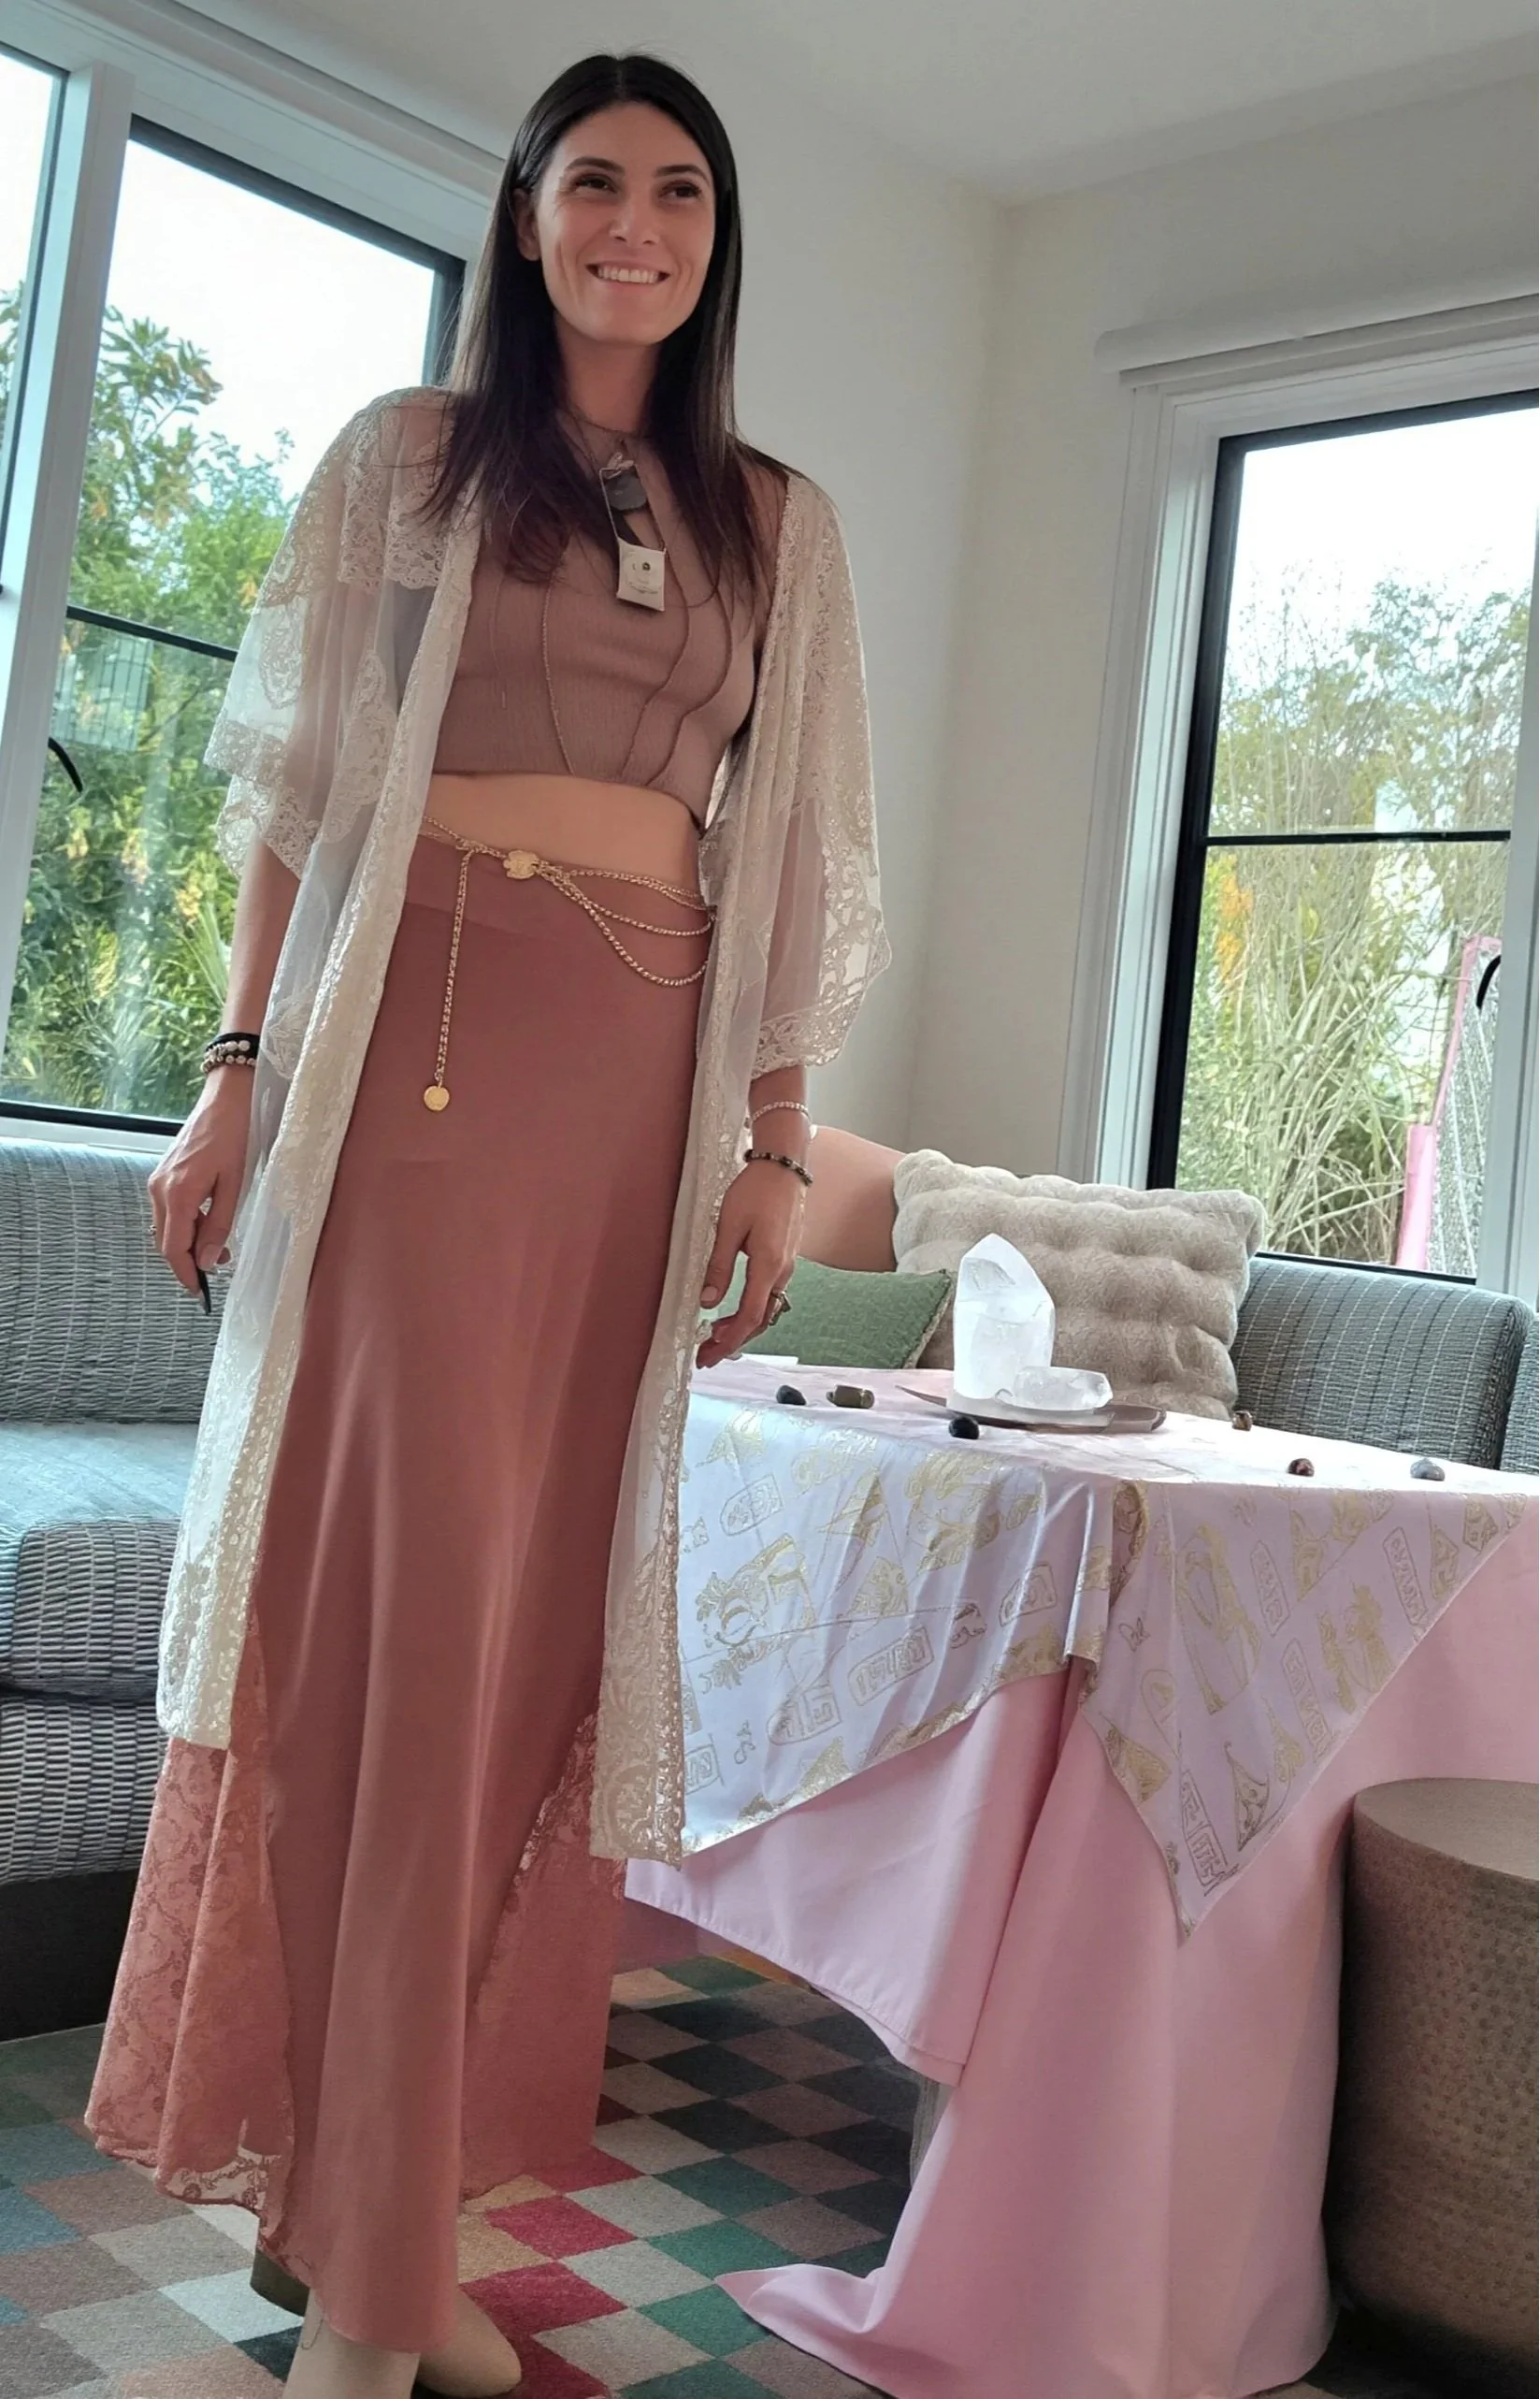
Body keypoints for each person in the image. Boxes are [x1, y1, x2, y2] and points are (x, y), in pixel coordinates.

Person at [83, 49, 888, 2399]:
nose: (634, 223)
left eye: (676, 190)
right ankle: (359, 2263)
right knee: (401, 1644)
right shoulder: (409, 463)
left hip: (631, 1111)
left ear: (713, 235)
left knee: (529, 1653)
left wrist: (768, 1128)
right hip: (411, 1075)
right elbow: (295, 789)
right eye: (591, 185)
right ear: (524, 218)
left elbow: (802, 857)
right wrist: (230, 1073)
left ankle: (382, 2220)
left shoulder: (778, 522)